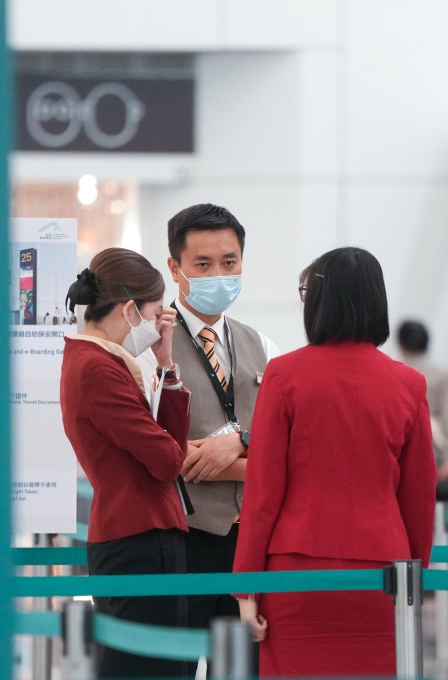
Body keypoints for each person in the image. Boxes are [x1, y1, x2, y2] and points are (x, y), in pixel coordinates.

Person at [233, 247, 437, 677]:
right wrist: (413, 580)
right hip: (383, 573)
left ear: (320, 303)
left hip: (295, 573)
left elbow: (263, 492)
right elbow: (419, 497)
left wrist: (246, 589)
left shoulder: (284, 375)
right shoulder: (409, 384)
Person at [60, 247, 192, 678]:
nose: (159, 325)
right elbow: (169, 459)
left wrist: (167, 364)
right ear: (130, 309)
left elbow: (167, 452)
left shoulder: (97, 360)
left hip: (137, 534)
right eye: (156, 314)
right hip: (138, 538)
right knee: (148, 668)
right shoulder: (98, 367)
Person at [157, 204, 280, 638]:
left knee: (244, 666)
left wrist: (238, 442)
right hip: (182, 537)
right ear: (175, 268)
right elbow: (170, 458)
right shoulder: (150, 345)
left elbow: (289, 443)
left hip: (252, 540)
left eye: (229, 263)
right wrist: (259, 459)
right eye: (203, 265)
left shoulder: (262, 345)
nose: (218, 275)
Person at [397, 319, 448, 501]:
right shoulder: (445, 375)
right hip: (437, 459)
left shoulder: (394, 374)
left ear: (401, 344)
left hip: (401, 460)